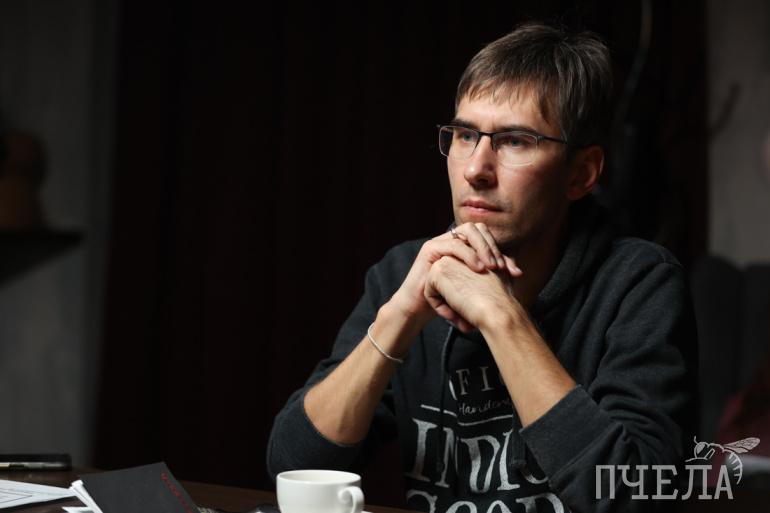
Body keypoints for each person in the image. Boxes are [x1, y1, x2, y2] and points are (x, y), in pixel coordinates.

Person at [267, 21, 697, 513]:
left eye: (515, 141)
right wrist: (398, 318)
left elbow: (635, 497)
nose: (475, 168)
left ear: (581, 174)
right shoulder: (407, 273)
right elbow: (292, 467)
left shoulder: (639, 283)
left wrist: (501, 316)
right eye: (465, 135)